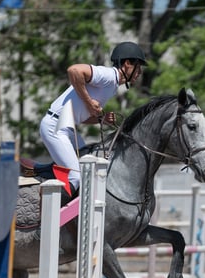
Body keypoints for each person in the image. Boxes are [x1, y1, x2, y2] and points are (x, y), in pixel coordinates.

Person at [39, 41, 147, 198]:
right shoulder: (109, 75)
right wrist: (89, 103)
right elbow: (74, 70)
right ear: (127, 63)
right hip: (55, 127)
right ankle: (47, 216)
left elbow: (82, 115)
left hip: (68, 128)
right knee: (76, 177)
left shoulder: (113, 86)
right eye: (138, 66)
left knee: (90, 168)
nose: (140, 72)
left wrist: (102, 119)